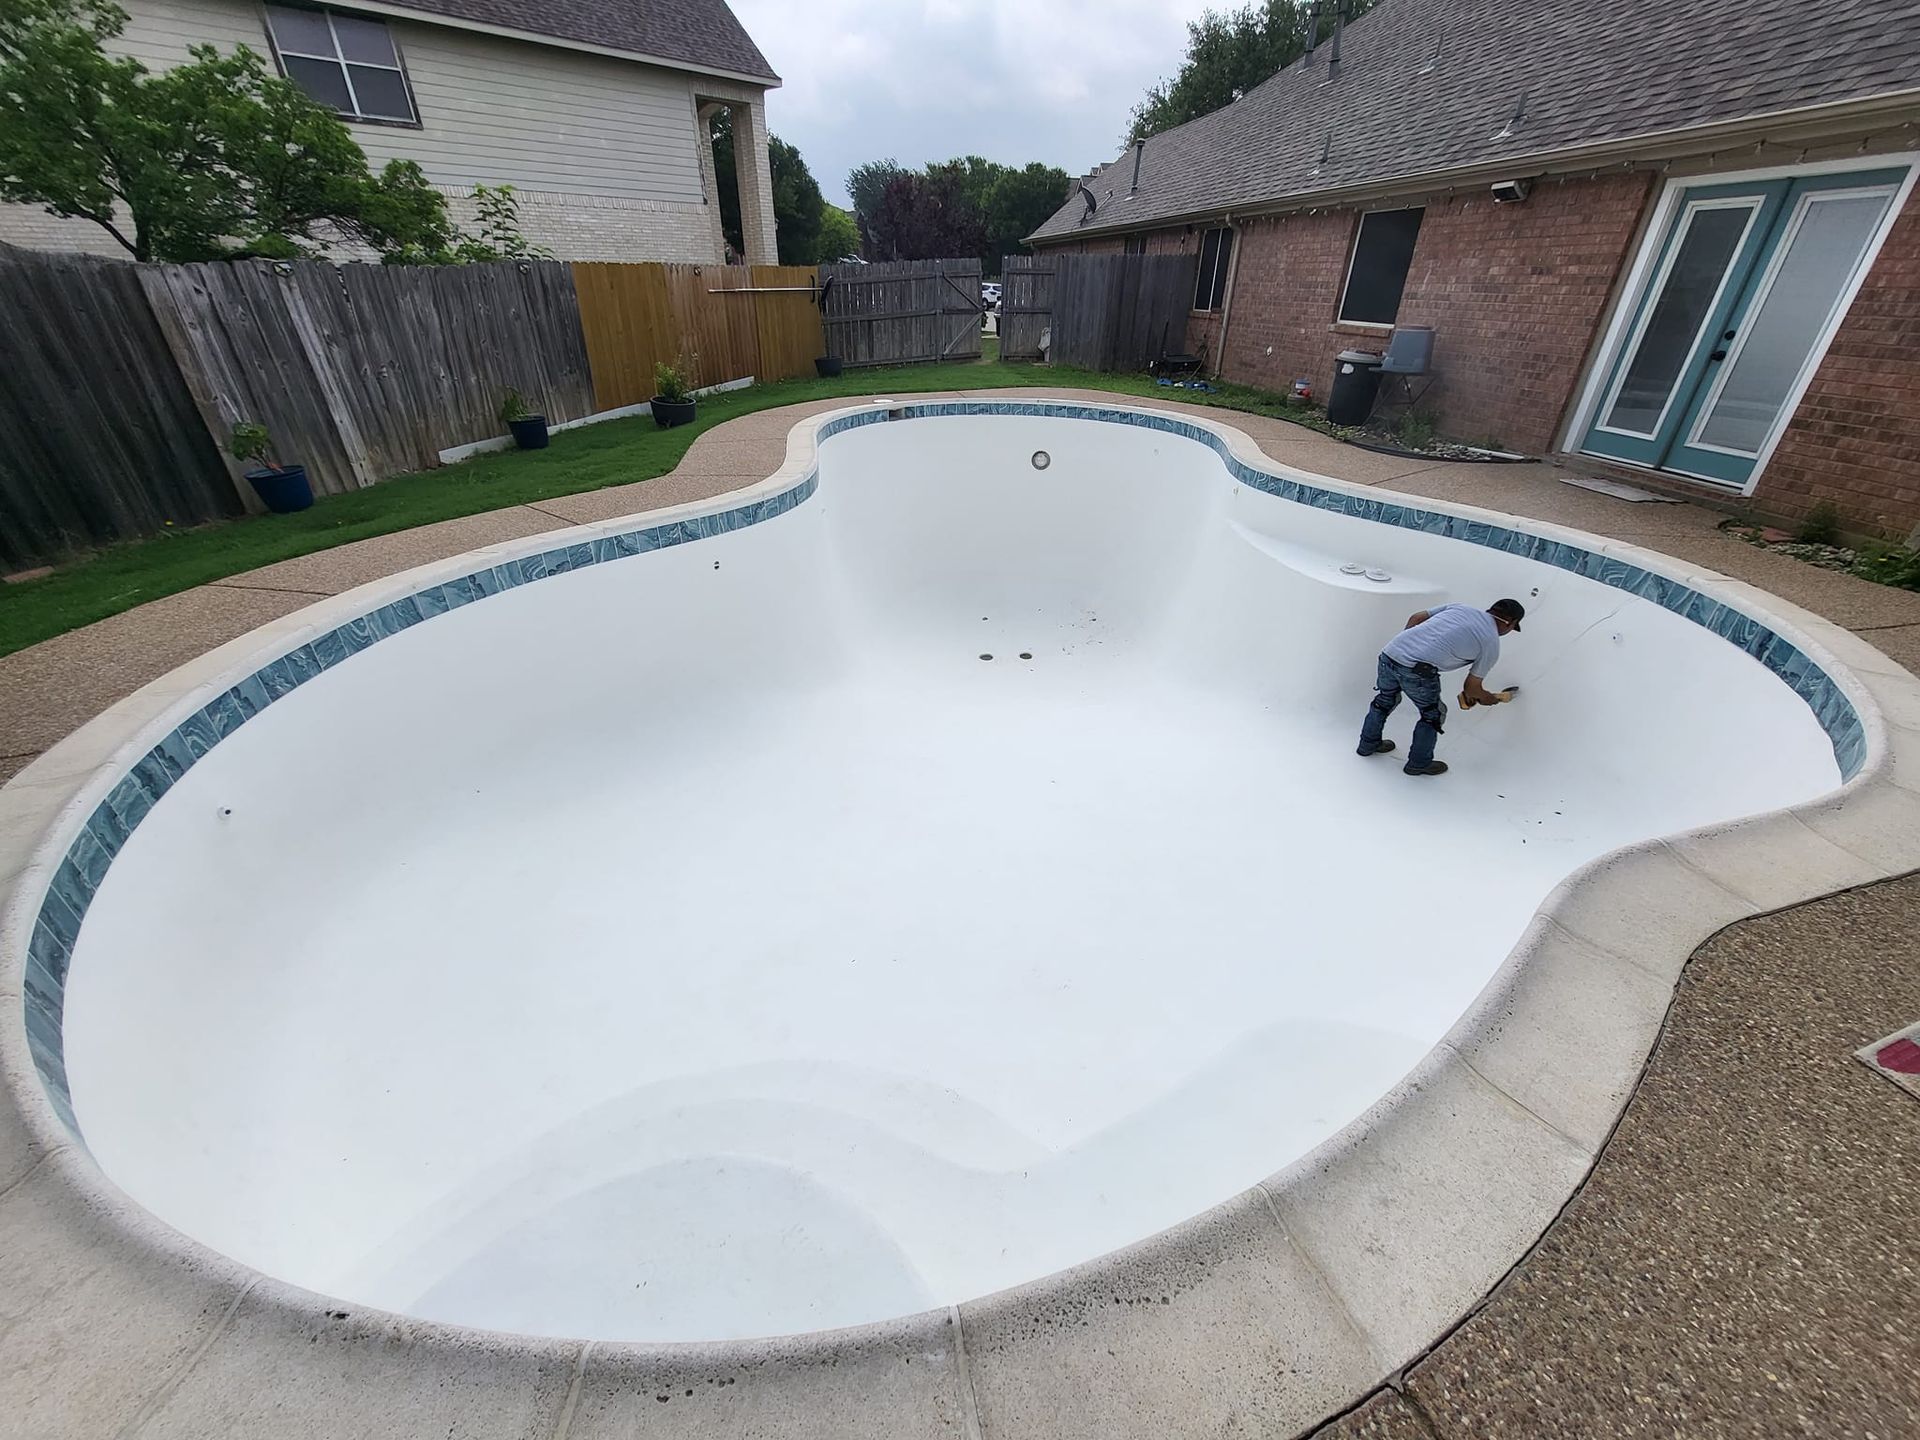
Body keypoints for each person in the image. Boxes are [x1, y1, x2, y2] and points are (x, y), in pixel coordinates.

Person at [1356, 599, 1525, 777]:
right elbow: (1471, 688)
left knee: (1384, 700)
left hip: (1390, 654)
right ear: (1511, 623)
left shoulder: (1461, 607)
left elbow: (1417, 617)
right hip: (1418, 671)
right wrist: (1489, 698)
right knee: (1432, 715)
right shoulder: (1491, 643)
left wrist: (1408, 647)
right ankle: (1418, 763)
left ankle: (1368, 744)